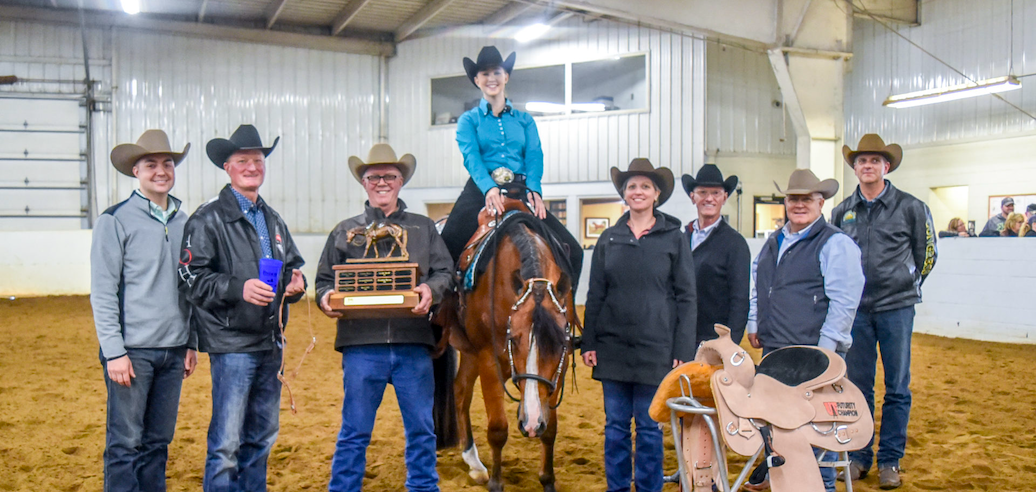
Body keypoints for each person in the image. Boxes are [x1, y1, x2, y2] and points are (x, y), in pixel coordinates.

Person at [315, 144, 454, 492]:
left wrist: (430, 291)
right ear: (363, 183)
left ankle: (423, 487)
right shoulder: (343, 230)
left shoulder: (424, 229)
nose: (381, 182)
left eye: (389, 176)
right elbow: (322, 282)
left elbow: (445, 272)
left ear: (400, 181)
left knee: (422, 429)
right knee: (354, 431)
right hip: (361, 345)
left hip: (412, 344)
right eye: (373, 176)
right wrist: (325, 298)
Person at [177, 124, 307, 492]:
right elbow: (190, 277)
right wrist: (238, 288)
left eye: (258, 160)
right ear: (227, 168)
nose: (252, 166)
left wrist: (295, 285)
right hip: (232, 344)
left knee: (261, 438)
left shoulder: (273, 219)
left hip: (270, 343)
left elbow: (293, 266)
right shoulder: (206, 219)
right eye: (243, 160)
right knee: (226, 444)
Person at [745, 168, 865, 492]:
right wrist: (755, 322)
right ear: (785, 202)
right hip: (776, 351)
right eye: (793, 198)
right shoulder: (773, 241)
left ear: (821, 202)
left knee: (818, 432)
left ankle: (823, 487)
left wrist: (825, 351)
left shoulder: (835, 243)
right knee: (779, 430)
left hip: (813, 353)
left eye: (806, 198)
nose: (799, 204)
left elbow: (844, 301)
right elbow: (758, 285)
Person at [581, 158, 697, 492]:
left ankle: (648, 488)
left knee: (649, 428)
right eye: (631, 186)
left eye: (645, 186)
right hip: (612, 348)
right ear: (624, 194)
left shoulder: (674, 238)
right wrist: (589, 342)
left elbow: (687, 297)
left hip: (656, 349)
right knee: (615, 427)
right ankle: (617, 487)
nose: (638, 191)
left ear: (657, 194)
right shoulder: (609, 239)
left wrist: (682, 349)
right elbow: (595, 294)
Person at [91, 129, 197, 492]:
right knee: (124, 442)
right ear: (135, 171)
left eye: (167, 163)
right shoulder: (115, 220)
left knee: (158, 441)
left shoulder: (186, 223)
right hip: (131, 352)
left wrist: (190, 343)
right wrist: (113, 351)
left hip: (174, 349)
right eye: (150, 164)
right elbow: (104, 291)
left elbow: (189, 288)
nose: (161, 171)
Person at [832, 134, 938, 489]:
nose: (867, 166)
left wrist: (906, 284)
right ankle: (860, 456)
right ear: (856, 167)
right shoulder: (842, 210)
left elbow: (928, 255)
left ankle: (890, 459)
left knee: (897, 387)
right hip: (857, 311)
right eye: (862, 161)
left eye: (874, 161)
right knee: (859, 387)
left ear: (885, 166)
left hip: (897, 308)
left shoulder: (911, 206)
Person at [439, 46, 582, 282]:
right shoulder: (469, 120)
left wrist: (535, 189)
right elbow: (471, 156)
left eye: (496, 72)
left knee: (573, 251)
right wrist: (489, 187)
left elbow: (534, 156)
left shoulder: (525, 120)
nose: (491, 78)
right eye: (484, 73)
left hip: (520, 189)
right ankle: (443, 313)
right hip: (481, 189)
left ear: (506, 76)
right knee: (445, 248)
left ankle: (564, 314)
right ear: (477, 80)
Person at [680, 164, 750, 344]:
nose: (709, 198)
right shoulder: (680, 240)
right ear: (692, 197)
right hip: (681, 337)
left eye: (716, 193)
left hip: (714, 341)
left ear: (724, 198)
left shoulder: (735, 244)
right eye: (702, 192)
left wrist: (730, 345)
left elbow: (739, 300)